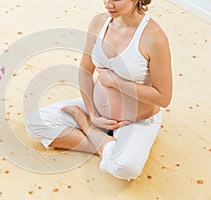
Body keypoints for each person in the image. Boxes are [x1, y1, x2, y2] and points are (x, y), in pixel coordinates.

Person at [25, 0, 172, 181]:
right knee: (34, 123)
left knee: (127, 169)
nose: (108, 4)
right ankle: (107, 145)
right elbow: (85, 72)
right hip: (96, 110)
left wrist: (117, 83)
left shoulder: (154, 38)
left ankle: (87, 127)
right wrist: (93, 114)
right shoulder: (99, 22)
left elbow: (163, 98)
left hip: (136, 120)